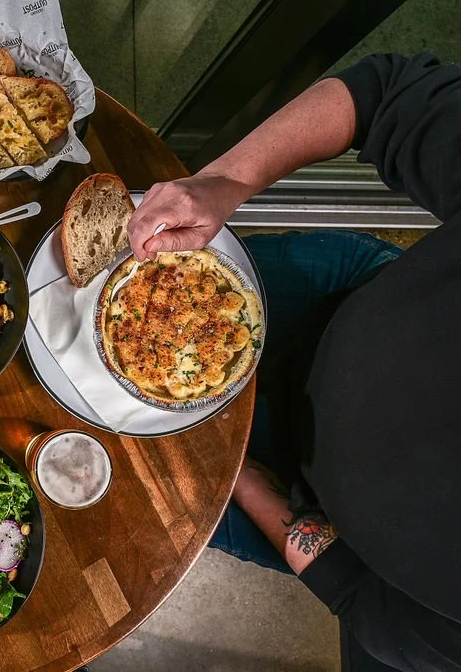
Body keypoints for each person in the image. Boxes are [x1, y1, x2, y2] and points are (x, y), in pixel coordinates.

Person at [128, 52, 461, 669]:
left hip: (288, 500)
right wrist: (225, 181)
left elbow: (366, 603)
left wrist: (239, 481)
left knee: (126, 486)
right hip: (329, 301)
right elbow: (387, 94)